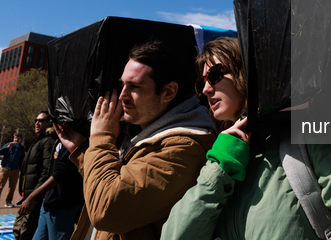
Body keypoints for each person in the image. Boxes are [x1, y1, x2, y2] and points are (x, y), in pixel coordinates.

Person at [162, 37, 331, 239]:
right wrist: (219, 170)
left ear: (248, 74)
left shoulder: (302, 142)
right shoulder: (218, 157)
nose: (207, 89)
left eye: (216, 74)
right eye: (201, 83)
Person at [55, 40, 216, 240]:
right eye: (122, 84)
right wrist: (81, 151)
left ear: (168, 92)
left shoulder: (184, 148)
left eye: (134, 86)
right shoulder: (140, 133)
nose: (122, 95)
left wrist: (101, 138)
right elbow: (117, 180)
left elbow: (107, 210)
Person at [28, 138, 84, 240]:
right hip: (48, 204)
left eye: (41, 121)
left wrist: (33, 195)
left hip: (62, 205)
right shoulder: (58, 139)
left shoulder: (75, 138)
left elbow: (62, 171)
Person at [14, 112, 57, 240]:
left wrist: (34, 196)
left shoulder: (48, 142)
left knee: (26, 232)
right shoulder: (39, 141)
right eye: (35, 120)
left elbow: (47, 171)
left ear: (49, 123)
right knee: (20, 230)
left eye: (41, 120)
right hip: (28, 197)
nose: (36, 123)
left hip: (35, 200)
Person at [0, 131, 26, 207]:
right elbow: (0, 152)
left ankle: (8, 201)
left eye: (18, 138)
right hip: (5, 168)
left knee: (12, 187)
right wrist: (7, 147)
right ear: (13, 138)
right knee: (0, 186)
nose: (16, 140)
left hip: (15, 169)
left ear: (21, 139)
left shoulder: (21, 148)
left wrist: (22, 168)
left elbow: (22, 158)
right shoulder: (8, 145)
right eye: (15, 138)